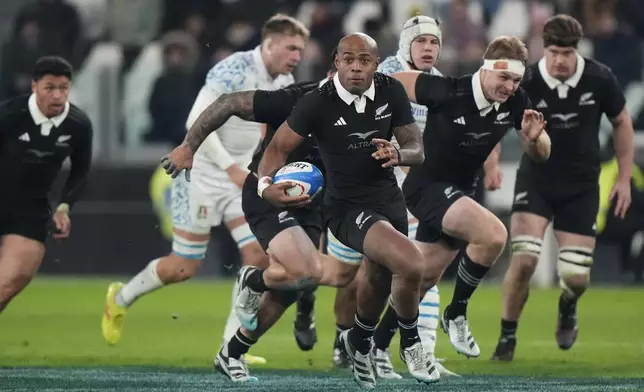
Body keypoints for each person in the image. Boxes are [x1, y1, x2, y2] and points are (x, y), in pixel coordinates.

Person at [101, 14, 314, 363]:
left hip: (241, 180)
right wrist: (230, 167)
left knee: (259, 256)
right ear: (270, 44)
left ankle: (231, 350)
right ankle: (119, 299)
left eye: (300, 49)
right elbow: (195, 120)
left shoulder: (286, 80)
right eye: (291, 47)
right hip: (202, 173)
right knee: (183, 267)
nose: (296, 56)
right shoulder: (232, 69)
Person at [241, 33, 437, 388]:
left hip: (389, 200)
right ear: (336, 61)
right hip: (345, 207)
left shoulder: (391, 91)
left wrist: (399, 154)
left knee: (378, 279)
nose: (356, 67)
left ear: (376, 65)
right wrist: (265, 186)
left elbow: (416, 148)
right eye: (348, 59)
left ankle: (359, 343)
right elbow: (277, 148)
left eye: (364, 60)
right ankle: (411, 343)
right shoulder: (317, 102)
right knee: (413, 263)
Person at [162, 61, 361, 383]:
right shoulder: (297, 98)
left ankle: (233, 353)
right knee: (304, 272)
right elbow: (228, 103)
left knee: (304, 285)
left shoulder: (368, 108)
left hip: (313, 205)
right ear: (330, 74)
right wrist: (189, 147)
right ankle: (256, 280)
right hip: (268, 192)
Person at [391, 35, 550, 359]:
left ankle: (371, 344)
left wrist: (534, 141)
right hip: (426, 186)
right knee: (493, 235)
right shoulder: (448, 90)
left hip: (461, 191)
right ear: (486, 69)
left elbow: (543, 151)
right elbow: (390, 83)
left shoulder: (516, 100)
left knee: (422, 279)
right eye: (504, 77)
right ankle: (456, 312)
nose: (509, 86)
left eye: (516, 80)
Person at [492, 15, 634, 361]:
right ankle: (507, 337)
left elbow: (622, 121)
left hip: (582, 185)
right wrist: (492, 162)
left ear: (578, 50)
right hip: (536, 180)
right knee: (524, 260)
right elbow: (493, 120)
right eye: (553, 51)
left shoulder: (600, 77)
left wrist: (624, 178)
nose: (559, 60)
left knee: (576, 277)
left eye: (566, 53)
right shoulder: (525, 81)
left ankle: (568, 305)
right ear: (544, 48)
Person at [0, 56, 93, 312]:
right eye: (49, 88)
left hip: (31, 210)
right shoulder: (9, 115)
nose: (57, 96)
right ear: (34, 86)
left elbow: (80, 171)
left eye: (63, 88)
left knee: (10, 283)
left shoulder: (79, 125)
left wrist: (64, 207)